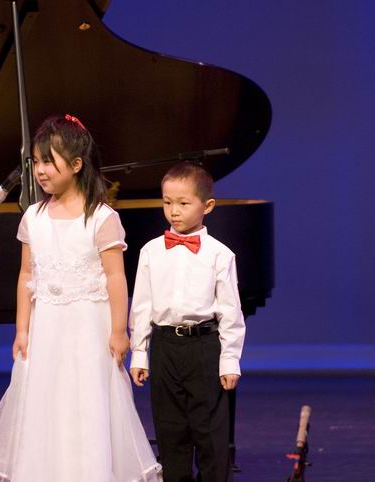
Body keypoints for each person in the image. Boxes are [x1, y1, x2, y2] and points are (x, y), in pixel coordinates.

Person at [0, 115, 161, 482]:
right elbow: (27, 276)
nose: (40, 171)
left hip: (89, 328)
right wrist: (22, 329)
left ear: (75, 164)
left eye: (48, 162)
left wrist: (120, 331)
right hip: (47, 327)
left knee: (87, 402)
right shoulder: (34, 217)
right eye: (37, 162)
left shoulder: (101, 218)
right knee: (45, 402)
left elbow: (116, 278)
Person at [128, 162, 246, 482]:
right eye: (167, 202)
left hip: (204, 347)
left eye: (183, 203)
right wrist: (139, 353)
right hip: (165, 347)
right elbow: (142, 306)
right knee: (170, 432)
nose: (174, 211)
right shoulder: (151, 251)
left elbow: (230, 312)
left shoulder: (220, 255)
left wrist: (229, 360)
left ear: (207, 206)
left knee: (209, 434)